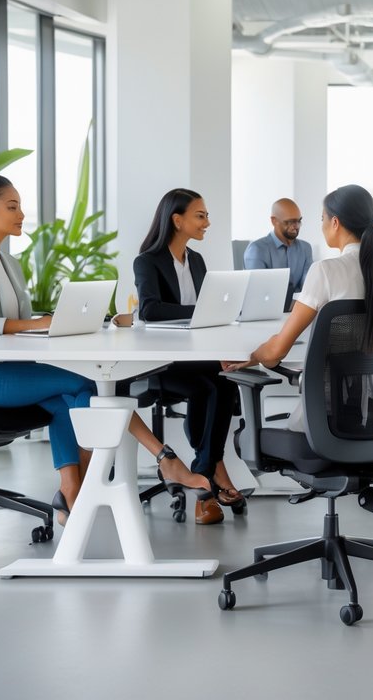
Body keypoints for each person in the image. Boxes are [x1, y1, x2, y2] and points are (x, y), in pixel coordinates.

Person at [0, 174, 209, 523]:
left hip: (7, 366)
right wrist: (38, 324)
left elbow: (19, 321)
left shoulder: (8, 262)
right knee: (84, 384)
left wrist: (65, 322)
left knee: (70, 401)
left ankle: (71, 491)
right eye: (12, 206)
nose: (21, 213)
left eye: (20, 205)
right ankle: (162, 458)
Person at [221, 184, 373, 434]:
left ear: (335, 222)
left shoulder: (326, 270)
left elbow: (275, 352)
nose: (321, 225)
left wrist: (252, 357)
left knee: (245, 438)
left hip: (327, 423)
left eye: (322, 219)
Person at [133, 188, 244, 524]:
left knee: (224, 382)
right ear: (177, 220)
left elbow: (204, 314)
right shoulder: (147, 261)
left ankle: (202, 474)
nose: (207, 222)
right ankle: (210, 478)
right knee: (212, 387)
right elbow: (150, 309)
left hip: (196, 357)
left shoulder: (195, 260)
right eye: (201, 215)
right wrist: (200, 310)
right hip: (162, 363)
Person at [244, 198, 313, 310]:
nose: (295, 226)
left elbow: (308, 288)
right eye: (289, 222)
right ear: (274, 221)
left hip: (296, 313)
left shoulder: (306, 248)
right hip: (264, 314)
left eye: (298, 221)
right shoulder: (257, 249)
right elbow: (259, 294)